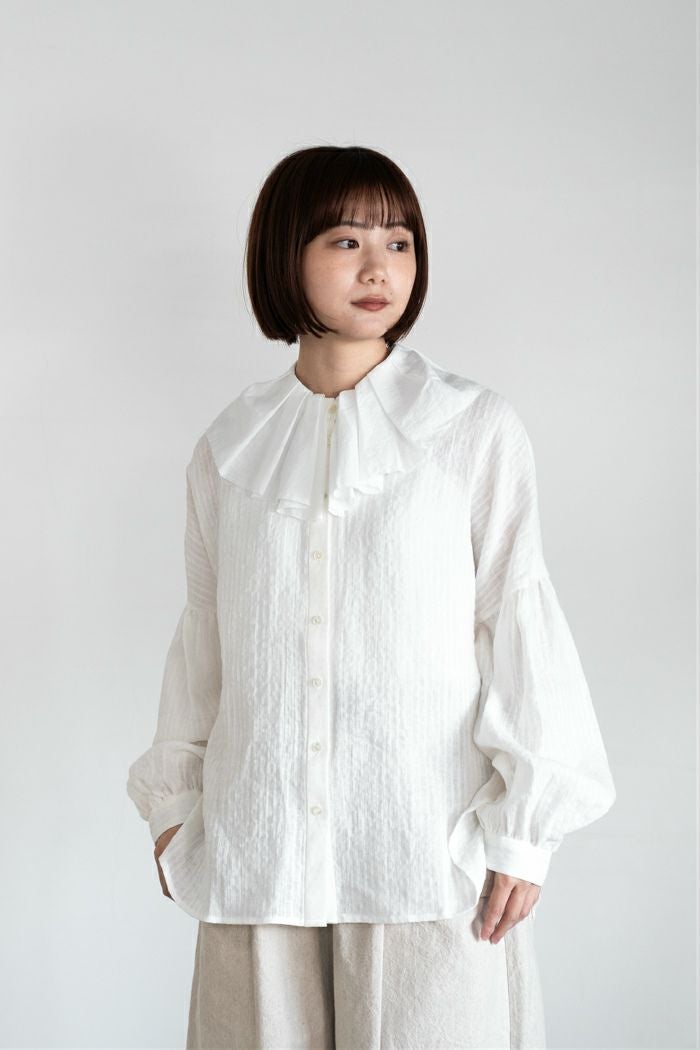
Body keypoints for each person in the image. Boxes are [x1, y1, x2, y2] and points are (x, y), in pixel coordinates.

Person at [126, 144, 616, 1049]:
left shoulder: (472, 431)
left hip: (426, 858)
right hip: (258, 856)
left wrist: (524, 831)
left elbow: (516, 617)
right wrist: (173, 809)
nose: (380, 268)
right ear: (285, 255)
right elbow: (207, 643)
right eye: (346, 241)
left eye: (400, 242)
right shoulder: (228, 451)